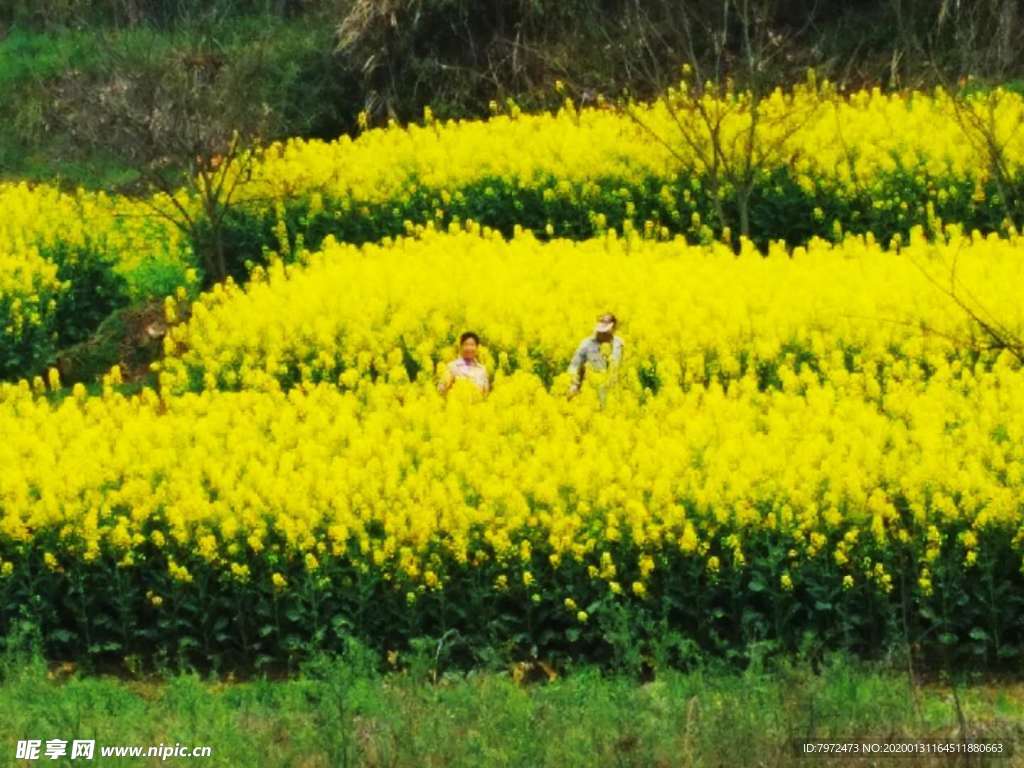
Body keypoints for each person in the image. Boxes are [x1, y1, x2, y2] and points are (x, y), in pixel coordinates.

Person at [567, 312, 624, 398]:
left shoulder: (619, 344)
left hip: (613, 392)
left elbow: (623, 366)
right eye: (600, 331)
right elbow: (574, 366)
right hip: (591, 393)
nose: (602, 334)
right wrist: (573, 385)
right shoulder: (586, 344)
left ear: (613, 329)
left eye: (605, 331)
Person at [438, 331, 490, 395]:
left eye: (472, 345)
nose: (469, 348)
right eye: (466, 345)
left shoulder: (482, 369)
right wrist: (447, 384)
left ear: (477, 347)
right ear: (461, 347)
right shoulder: (452, 366)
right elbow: (440, 391)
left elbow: (486, 394)